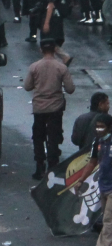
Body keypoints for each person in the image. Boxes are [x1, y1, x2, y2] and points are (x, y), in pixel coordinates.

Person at [24, 38, 76, 179]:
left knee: (38, 137)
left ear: (41, 50)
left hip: (39, 108)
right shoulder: (61, 67)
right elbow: (70, 89)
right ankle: (53, 167)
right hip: (55, 108)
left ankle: (39, 166)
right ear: (55, 50)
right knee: (54, 136)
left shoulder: (34, 67)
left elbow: (27, 86)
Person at [91, 115, 112, 246]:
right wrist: (79, 181)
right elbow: (92, 162)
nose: (99, 130)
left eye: (102, 127)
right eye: (97, 126)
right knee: (107, 217)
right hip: (103, 186)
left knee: (108, 219)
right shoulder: (98, 142)